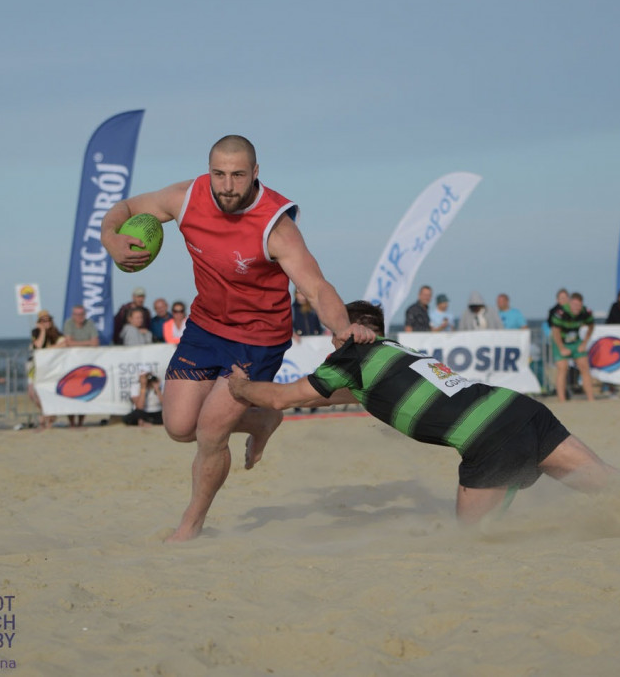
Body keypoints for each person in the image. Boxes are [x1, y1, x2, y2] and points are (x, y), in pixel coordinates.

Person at [101, 134, 374, 541]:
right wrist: (111, 238)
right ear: (209, 170)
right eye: (219, 174)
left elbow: (316, 288)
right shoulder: (186, 197)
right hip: (205, 327)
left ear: (255, 174)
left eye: (237, 175)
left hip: (258, 338)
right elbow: (125, 207)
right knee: (178, 426)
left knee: (211, 430)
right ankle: (265, 415)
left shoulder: (276, 226)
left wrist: (342, 327)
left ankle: (190, 526)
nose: (227, 186)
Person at [228, 301, 620, 525]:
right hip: (519, 410)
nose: (330, 340)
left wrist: (240, 386)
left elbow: (283, 397)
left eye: (334, 331)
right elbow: (316, 398)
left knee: (473, 541)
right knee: (614, 482)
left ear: (349, 331)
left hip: (489, 439)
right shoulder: (393, 354)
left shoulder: (352, 357)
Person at [550, 292, 596, 402]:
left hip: (575, 341)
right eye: (574, 305)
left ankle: (591, 399)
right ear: (569, 303)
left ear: (582, 305)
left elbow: (591, 326)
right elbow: (555, 332)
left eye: (579, 305)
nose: (576, 308)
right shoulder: (560, 313)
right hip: (560, 341)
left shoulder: (586, 312)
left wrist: (584, 343)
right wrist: (561, 348)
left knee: (584, 366)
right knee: (563, 367)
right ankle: (562, 400)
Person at [61, 304, 98, 428]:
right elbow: (68, 342)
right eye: (77, 314)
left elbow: (96, 343)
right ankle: (72, 422)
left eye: (82, 314)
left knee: (85, 392)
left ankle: (81, 422)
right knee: (70, 393)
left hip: (86, 364)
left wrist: (77, 344)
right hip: (71, 364)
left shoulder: (90, 323)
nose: (80, 317)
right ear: (73, 315)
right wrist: (87, 343)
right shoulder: (69, 324)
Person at [28, 309, 65, 429]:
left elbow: (64, 344)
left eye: (48, 319)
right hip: (35, 366)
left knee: (47, 391)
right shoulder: (36, 332)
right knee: (33, 393)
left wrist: (49, 348)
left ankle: (48, 417)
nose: (46, 322)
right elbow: (38, 346)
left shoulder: (57, 333)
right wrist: (42, 331)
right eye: (43, 320)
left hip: (50, 367)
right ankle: (48, 413)